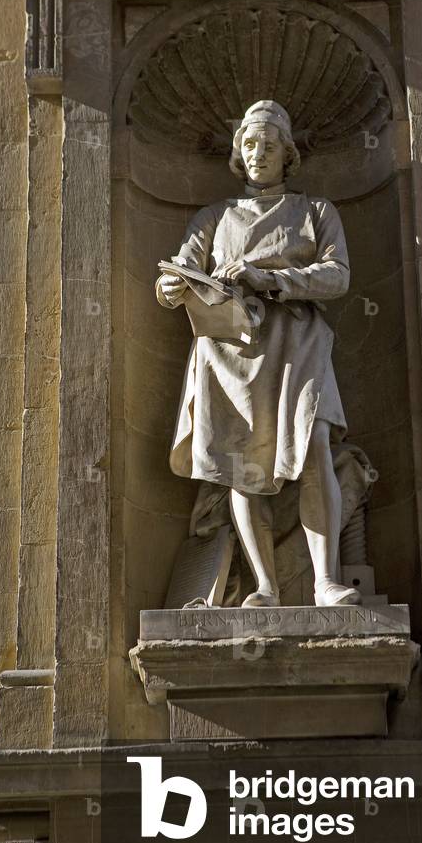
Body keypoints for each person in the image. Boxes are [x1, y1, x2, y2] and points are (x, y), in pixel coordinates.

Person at [156, 100, 360, 608]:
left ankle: (325, 581)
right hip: (229, 348)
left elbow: (337, 276)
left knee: (314, 449)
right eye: (249, 144)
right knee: (239, 462)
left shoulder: (316, 212)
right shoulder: (213, 217)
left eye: (269, 145)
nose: (258, 153)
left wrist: (267, 278)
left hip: (297, 341)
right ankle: (265, 586)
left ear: (287, 153)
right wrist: (171, 286)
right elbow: (180, 268)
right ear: (238, 151)